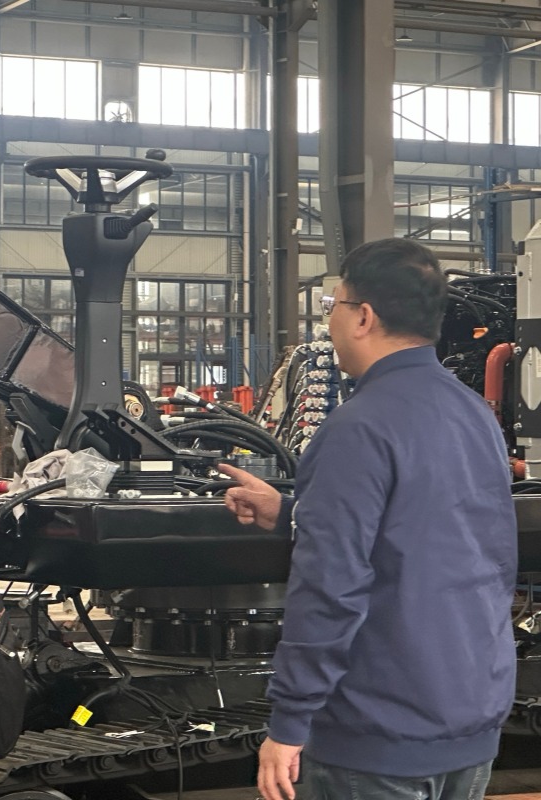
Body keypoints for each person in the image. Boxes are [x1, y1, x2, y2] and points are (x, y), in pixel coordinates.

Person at [221, 238, 517, 800]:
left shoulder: (358, 427)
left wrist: (290, 720)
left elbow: (330, 586)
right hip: (470, 719)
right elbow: (447, 540)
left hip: (377, 735)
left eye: (332, 305)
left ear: (363, 316)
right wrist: (292, 514)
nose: (328, 321)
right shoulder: (473, 414)